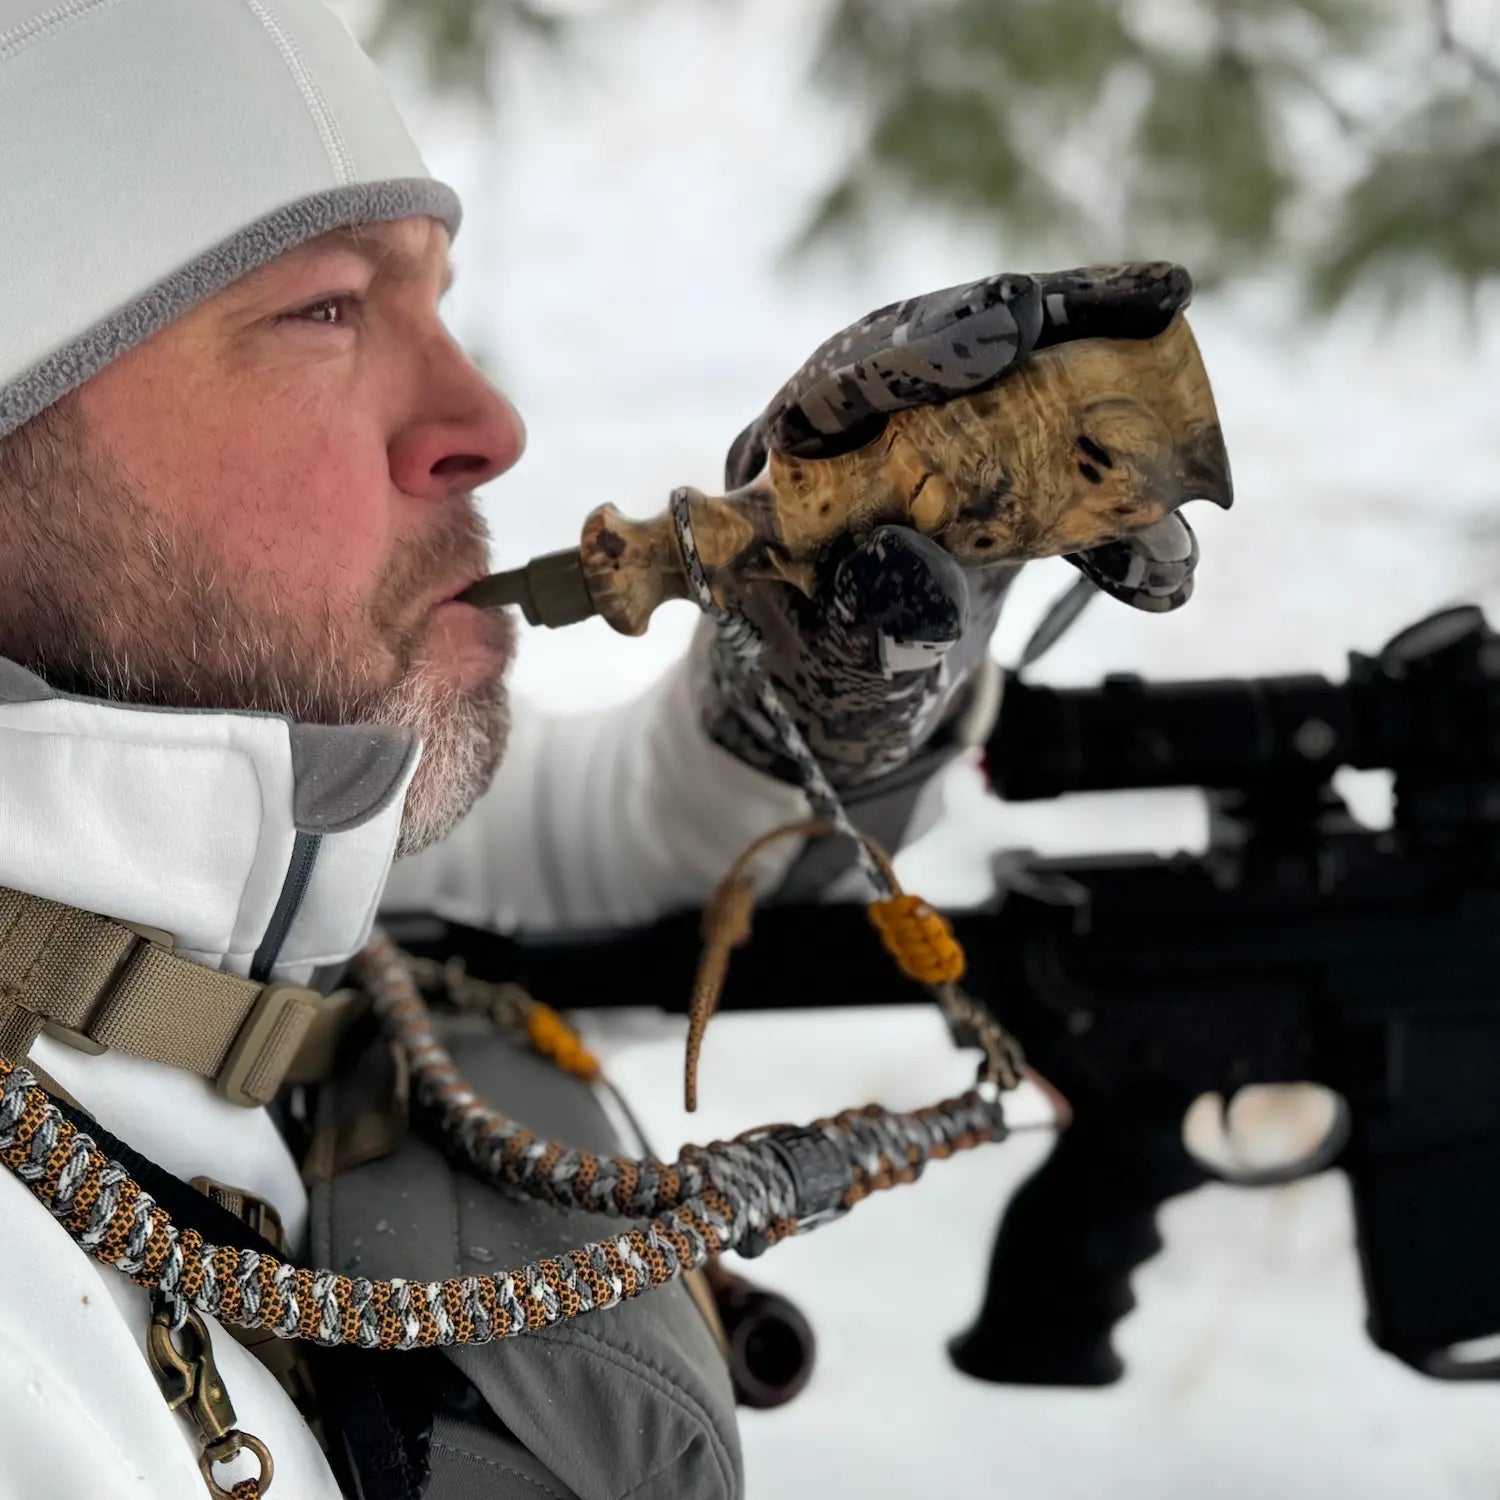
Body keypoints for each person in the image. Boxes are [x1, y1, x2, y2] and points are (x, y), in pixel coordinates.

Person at [0, 1, 1194, 1495]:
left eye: (435, 300)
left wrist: (800, 717)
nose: (486, 422)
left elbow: (569, 857)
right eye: (324, 311)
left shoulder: (245, 847)